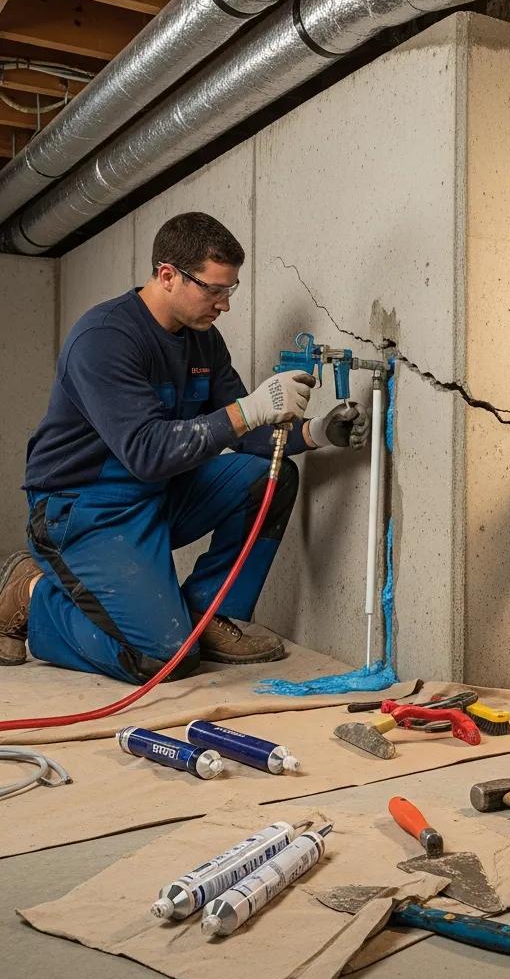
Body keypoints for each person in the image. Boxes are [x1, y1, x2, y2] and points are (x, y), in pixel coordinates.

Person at [0, 211, 366, 682]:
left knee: (266, 480)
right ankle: (31, 593)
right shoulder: (104, 339)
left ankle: (206, 614)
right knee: (159, 660)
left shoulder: (203, 342)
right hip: (83, 510)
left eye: (229, 290)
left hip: (158, 493)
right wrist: (250, 409)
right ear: (167, 275)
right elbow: (147, 451)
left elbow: (248, 433)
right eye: (213, 289)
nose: (223, 304)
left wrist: (315, 433)